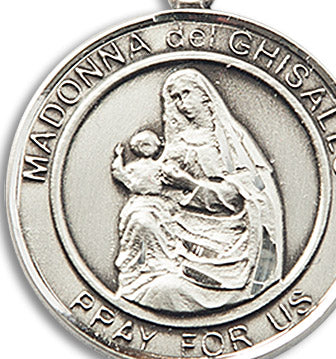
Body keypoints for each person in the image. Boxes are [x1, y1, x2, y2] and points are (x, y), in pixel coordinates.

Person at [113, 68, 284, 313]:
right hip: (178, 222)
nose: (181, 103)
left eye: (186, 93)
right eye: (175, 97)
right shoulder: (178, 140)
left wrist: (190, 184)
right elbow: (162, 184)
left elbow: (243, 194)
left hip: (225, 235)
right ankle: (139, 279)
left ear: (205, 95)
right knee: (140, 217)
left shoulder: (230, 140)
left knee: (165, 290)